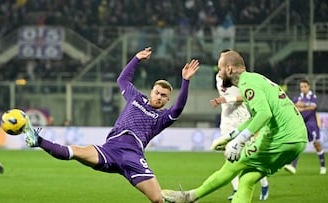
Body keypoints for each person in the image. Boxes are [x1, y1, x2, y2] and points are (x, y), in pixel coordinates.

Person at [23, 47, 200, 203]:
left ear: (168, 98)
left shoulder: (162, 117)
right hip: (111, 149)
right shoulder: (136, 98)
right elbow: (122, 80)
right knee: (75, 151)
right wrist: (136, 58)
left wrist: (185, 81)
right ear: (152, 91)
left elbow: (178, 108)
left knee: (157, 200)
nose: (159, 97)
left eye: (163, 96)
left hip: (133, 156)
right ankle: (37, 141)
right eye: (157, 92)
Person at [161, 50, 307, 203]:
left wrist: (239, 142)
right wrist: (229, 137)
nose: (218, 73)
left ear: (229, 69)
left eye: (220, 69)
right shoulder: (255, 79)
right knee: (247, 178)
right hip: (297, 140)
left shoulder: (246, 83)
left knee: (233, 164)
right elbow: (256, 117)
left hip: (282, 137)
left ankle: (190, 197)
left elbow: (265, 115)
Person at [210, 72, 269, 201]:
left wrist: (226, 100)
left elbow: (245, 97)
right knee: (228, 155)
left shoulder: (240, 79)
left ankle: (264, 184)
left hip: (242, 120)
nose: (219, 69)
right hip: (226, 121)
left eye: (222, 65)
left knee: (250, 156)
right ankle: (236, 189)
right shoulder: (218, 78)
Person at [284, 79, 326, 175]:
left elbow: (313, 106)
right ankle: (293, 167)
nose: (303, 88)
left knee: (317, 144)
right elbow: (293, 107)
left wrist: (302, 106)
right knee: (299, 144)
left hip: (312, 124)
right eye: (301, 86)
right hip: (301, 124)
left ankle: (323, 166)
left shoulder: (313, 96)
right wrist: (302, 107)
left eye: (305, 86)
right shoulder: (297, 97)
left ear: (309, 87)